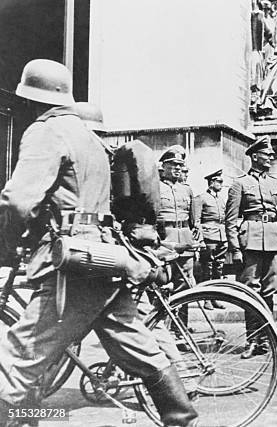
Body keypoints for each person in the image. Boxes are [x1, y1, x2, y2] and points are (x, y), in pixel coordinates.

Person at [0, 59, 197, 426]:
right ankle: (181, 417)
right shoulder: (90, 139)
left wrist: (10, 243)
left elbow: (17, 201)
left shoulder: (46, 131)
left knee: (20, 355)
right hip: (104, 257)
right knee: (137, 347)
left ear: (32, 98)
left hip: (72, 265)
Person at [225, 136, 277, 359]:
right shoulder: (240, 183)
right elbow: (231, 219)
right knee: (250, 291)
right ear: (255, 156)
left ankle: (267, 340)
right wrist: (234, 249)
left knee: (270, 291)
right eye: (267, 154)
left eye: (272, 154)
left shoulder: (275, 185)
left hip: (273, 240)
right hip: (250, 240)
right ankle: (252, 340)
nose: (271, 157)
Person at [157, 147, 202, 315]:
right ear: (164, 166)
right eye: (173, 165)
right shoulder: (156, 188)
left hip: (184, 241)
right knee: (161, 283)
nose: (177, 168)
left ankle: (180, 329)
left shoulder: (187, 190)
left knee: (184, 286)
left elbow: (193, 221)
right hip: (165, 241)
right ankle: (161, 325)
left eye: (180, 165)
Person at [195, 169, 227, 309]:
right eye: (219, 182)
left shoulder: (220, 199)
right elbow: (197, 222)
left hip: (221, 236)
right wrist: (200, 240)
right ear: (211, 182)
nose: (221, 184)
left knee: (218, 269)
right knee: (206, 268)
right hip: (208, 237)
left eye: (221, 182)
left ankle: (215, 297)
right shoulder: (201, 198)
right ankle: (206, 299)